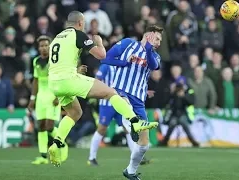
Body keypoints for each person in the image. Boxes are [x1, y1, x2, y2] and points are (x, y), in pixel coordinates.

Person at [47, 11, 158, 167]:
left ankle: (56, 143)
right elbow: (101, 55)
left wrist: (75, 70)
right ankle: (134, 121)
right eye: (83, 23)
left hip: (54, 83)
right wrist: (98, 42)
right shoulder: (78, 35)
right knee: (110, 92)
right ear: (80, 23)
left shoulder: (56, 38)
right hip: (68, 79)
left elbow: (57, 64)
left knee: (75, 113)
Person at [101, 25, 162, 179]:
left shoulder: (155, 56)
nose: (159, 43)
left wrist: (148, 48)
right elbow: (106, 58)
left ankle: (130, 171)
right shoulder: (128, 43)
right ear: (148, 35)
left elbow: (154, 66)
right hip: (121, 90)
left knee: (144, 144)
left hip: (139, 99)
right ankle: (132, 125)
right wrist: (124, 63)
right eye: (157, 38)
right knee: (124, 105)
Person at [28, 35, 88, 165]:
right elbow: (36, 81)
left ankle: (62, 144)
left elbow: (64, 76)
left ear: (50, 46)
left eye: (46, 45)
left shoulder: (56, 61)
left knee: (50, 126)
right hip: (41, 98)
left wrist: (57, 97)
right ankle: (43, 156)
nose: (43, 48)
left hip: (53, 94)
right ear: (38, 48)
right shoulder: (36, 61)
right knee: (41, 126)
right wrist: (33, 98)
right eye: (41, 46)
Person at [88, 64, 150, 166]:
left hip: (122, 102)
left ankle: (137, 156)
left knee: (128, 128)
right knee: (102, 128)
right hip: (107, 103)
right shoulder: (106, 66)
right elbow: (97, 80)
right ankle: (92, 157)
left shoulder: (125, 66)